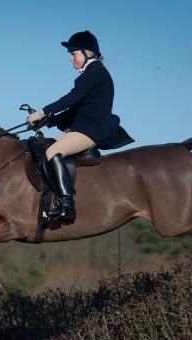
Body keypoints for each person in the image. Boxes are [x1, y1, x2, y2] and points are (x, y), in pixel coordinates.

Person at [27, 30, 131, 222]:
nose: (71, 59)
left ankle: (67, 205)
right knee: (45, 146)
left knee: (52, 152)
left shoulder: (95, 72)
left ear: (87, 53)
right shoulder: (91, 74)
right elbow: (73, 110)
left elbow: (70, 99)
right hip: (81, 128)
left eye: (73, 54)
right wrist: (48, 121)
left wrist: (42, 112)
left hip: (92, 131)